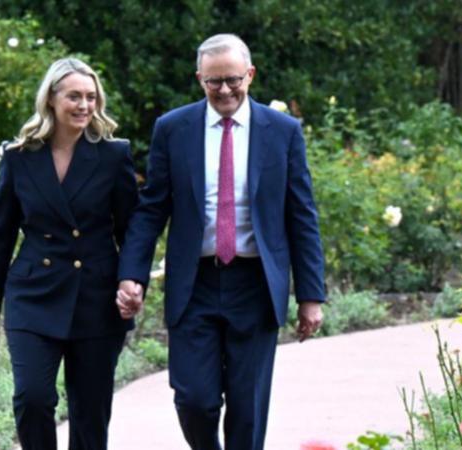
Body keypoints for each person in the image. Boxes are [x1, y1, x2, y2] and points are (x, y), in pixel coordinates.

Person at [116, 34, 326, 449]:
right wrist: (131, 275)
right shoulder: (173, 129)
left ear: (250, 74)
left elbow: (301, 215)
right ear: (199, 79)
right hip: (194, 284)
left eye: (233, 79)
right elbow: (151, 208)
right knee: (195, 398)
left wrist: (310, 295)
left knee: (248, 408)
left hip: (255, 284)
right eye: (214, 82)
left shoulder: (282, 131)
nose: (225, 90)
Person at [0, 57, 138, 449]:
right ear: (51, 99)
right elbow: (1, 236)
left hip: (96, 297)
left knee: (90, 413)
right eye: (74, 96)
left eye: (91, 97)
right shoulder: (19, 156)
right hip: (34, 293)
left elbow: (132, 230)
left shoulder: (113, 155)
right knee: (33, 398)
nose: (84, 106)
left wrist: (133, 280)